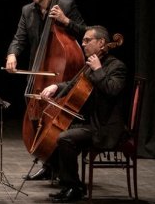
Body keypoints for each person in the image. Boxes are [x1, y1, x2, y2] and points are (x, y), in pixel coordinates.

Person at [4, 0, 87, 181]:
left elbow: (86, 34)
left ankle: (65, 170)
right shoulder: (27, 11)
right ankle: (48, 163)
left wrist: (65, 21)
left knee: (57, 121)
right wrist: (12, 54)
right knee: (37, 117)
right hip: (38, 73)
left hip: (60, 75)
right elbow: (19, 37)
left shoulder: (67, 6)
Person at [39, 26, 128, 203]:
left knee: (65, 138)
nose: (83, 43)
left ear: (101, 43)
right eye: (84, 40)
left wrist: (97, 70)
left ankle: (75, 187)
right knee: (56, 132)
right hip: (91, 123)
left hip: (105, 127)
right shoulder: (91, 65)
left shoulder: (117, 66)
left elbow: (111, 90)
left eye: (88, 41)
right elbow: (73, 85)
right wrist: (56, 87)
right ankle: (67, 184)